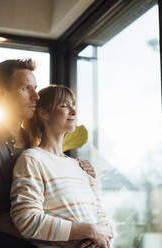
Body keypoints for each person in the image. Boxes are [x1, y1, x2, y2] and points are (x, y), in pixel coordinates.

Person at [0, 59, 95, 248]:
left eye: (35, 88)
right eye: (26, 88)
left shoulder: (37, 147)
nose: (36, 96)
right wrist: (63, 239)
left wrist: (81, 176)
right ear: (1, 94)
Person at [10, 85, 113, 248]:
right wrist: (89, 231)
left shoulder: (79, 167)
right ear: (44, 113)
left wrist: (100, 236)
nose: (73, 111)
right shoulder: (32, 159)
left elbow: (102, 219)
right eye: (64, 106)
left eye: (74, 105)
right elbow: (27, 220)